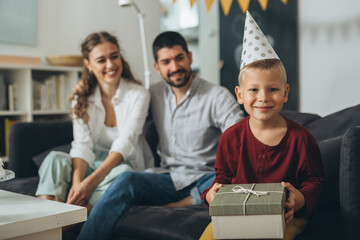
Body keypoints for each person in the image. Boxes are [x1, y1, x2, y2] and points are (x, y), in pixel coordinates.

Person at [76, 31, 244, 240]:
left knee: (223, 180)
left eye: (179, 58)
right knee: (126, 179)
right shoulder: (153, 94)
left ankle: (189, 200)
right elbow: (124, 107)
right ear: (157, 67)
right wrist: (87, 91)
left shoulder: (217, 96)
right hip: (164, 177)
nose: (174, 67)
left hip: (202, 177)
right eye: (166, 62)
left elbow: (240, 139)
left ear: (190, 57)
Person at [200, 12, 324, 240]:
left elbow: (314, 181)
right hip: (236, 216)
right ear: (239, 95)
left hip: (286, 217)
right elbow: (221, 180)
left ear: (285, 92)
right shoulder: (230, 138)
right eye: (254, 90)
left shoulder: (301, 138)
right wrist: (211, 195)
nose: (263, 97)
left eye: (273, 89)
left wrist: (301, 198)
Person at [35, 32, 153, 213]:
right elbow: (82, 145)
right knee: (55, 159)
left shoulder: (139, 94)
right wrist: (77, 185)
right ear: (88, 65)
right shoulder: (81, 97)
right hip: (90, 163)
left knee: (123, 174)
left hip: (121, 165)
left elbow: (125, 143)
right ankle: (46, 217)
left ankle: (63, 224)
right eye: (101, 60)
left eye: (115, 56)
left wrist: (89, 184)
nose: (111, 65)